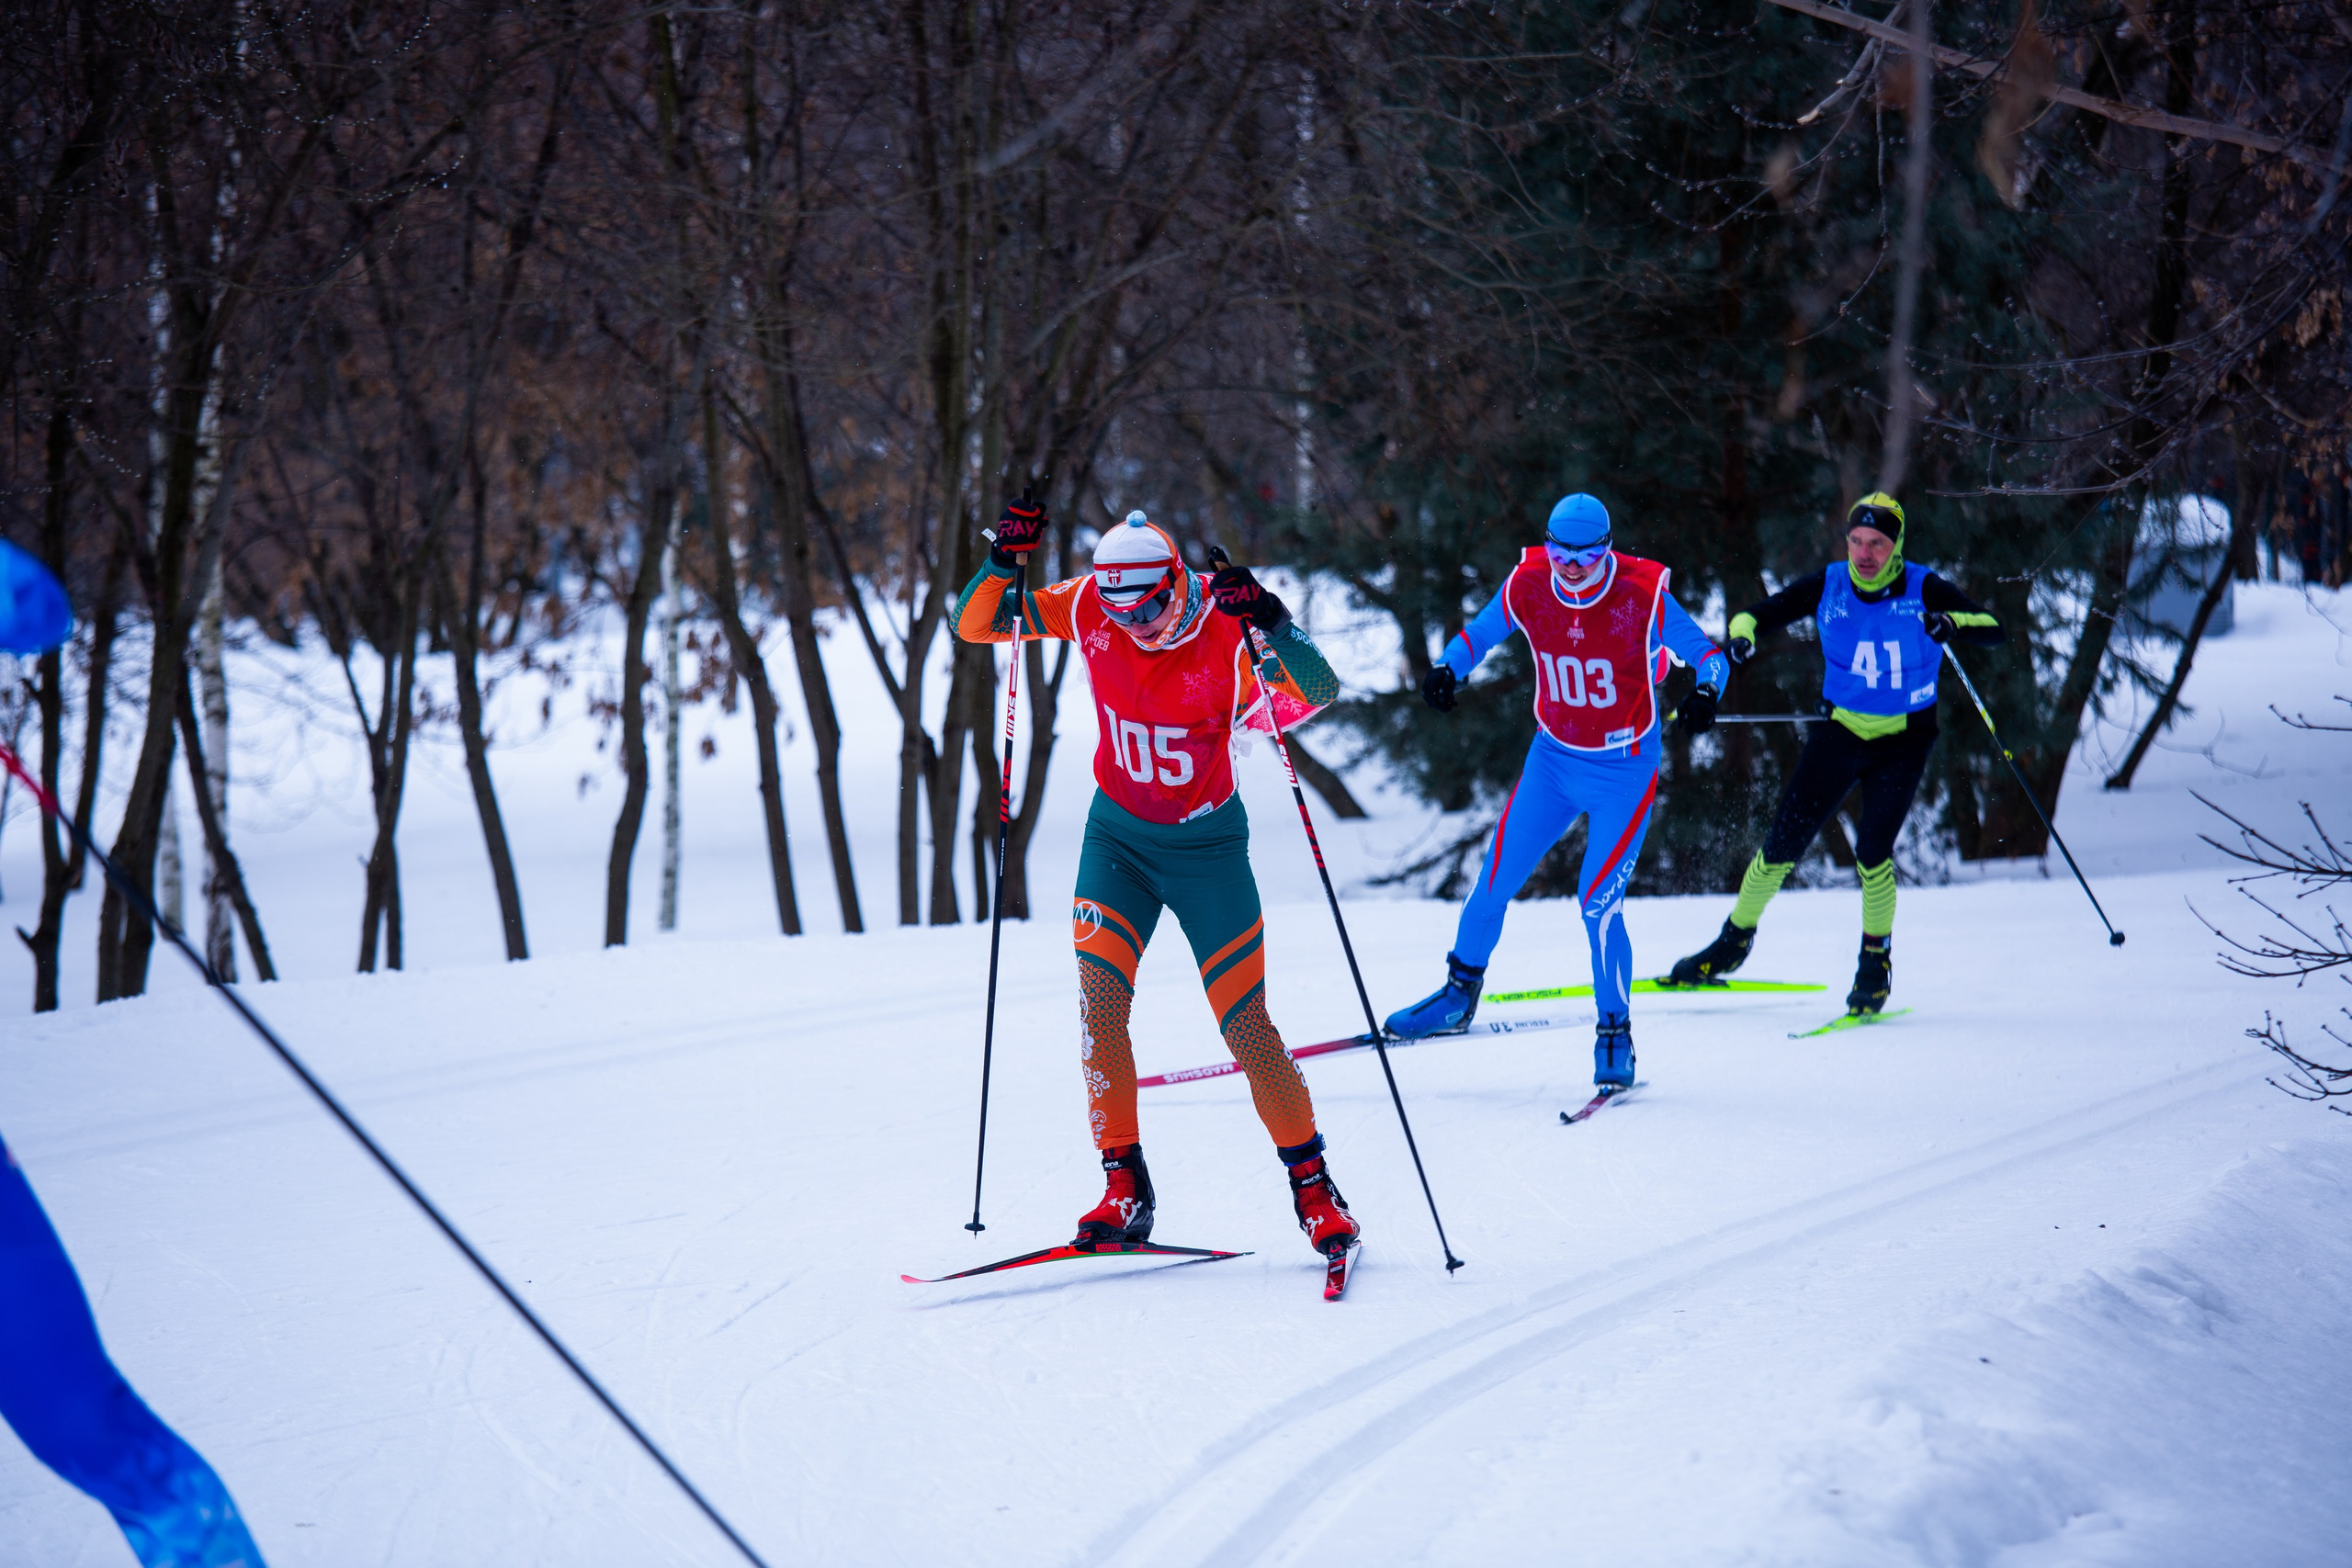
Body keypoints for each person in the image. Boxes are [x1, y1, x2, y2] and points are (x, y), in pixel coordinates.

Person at [953, 501, 1361, 1262]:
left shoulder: (1225, 629)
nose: (1133, 623)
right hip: (1118, 841)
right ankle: (1125, 1187)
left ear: (1177, 580)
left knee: (1247, 1027)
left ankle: (1316, 1191)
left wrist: (1270, 614)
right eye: (1118, 609)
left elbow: (1321, 686)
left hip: (1207, 848)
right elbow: (975, 624)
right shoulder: (1088, 606)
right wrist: (1004, 561)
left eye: (1147, 605)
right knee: (1100, 1011)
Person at [1385, 493, 1727, 1098]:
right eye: (1560, 553)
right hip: (1553, 759)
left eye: (1585, 556)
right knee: (1494, 879)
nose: (1570, 567)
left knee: (1597, 900)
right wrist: (1446, 669)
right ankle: (1457, 995)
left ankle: (1615, 1030)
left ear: (1607, 549)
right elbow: (1481, 632)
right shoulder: (1530, 581)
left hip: (1624, 765)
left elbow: (1708, 655)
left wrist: (1705, 693)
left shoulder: (1642, 595)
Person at [1666, 492, 2003, 1013]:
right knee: (1780, 845)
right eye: (1856, 541)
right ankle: (1732, 943)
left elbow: (1992, 628)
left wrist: (1952, 624)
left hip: (1904, 740)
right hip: (1840, 734)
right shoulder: (1830, 583)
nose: (1864, 553)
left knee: (1872, 851)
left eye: (1877, 543)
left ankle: (1875, 962)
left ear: (1896, 547)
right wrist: (1740, 642)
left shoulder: (1923, 586)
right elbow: (1754, 616)